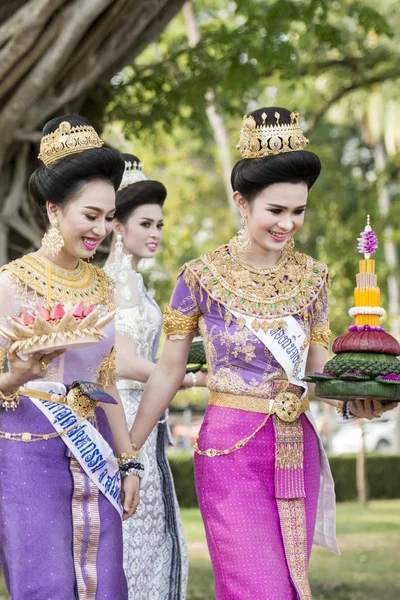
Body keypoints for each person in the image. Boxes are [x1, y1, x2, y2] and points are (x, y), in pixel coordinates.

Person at [127, 107, 394, 599]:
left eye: (299, 211)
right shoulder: (200, 277)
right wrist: (130, 453)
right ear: (241, 203)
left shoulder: (314, 278)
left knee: (290, 587)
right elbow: (167, 371)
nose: (288, 224)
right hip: (228, 450)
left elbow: (318, 372)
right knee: (256, 588)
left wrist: (359, 403)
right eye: (276, 210)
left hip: (296, 449)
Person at [0, 116, 140, 600]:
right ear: (54, 210)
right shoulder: (10, 282)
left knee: (105, 583)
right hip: (26, 450)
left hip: (93, 446)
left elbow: (105, 380)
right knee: (46, 585)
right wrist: (14, 376)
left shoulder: (102, 285)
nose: (103, 229)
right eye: (91, 215)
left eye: (109, 217)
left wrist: (127, 462)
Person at [104, 154, 204, 600]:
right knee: (134, 535)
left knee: (150, 534)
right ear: (116, 225)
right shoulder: (117, 283)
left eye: (159, 225)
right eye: (145, 224)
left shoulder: (136, 284)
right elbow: (121, 362)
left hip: (146, 415)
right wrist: (181, 377)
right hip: (123, 416)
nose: (156, 234)